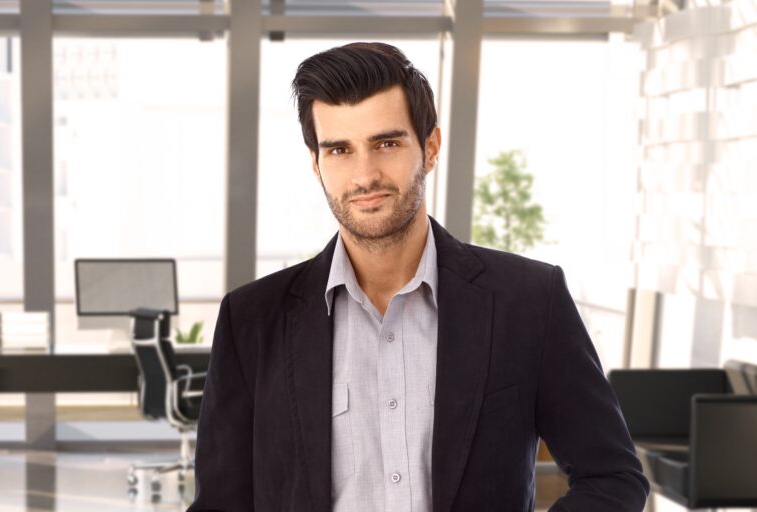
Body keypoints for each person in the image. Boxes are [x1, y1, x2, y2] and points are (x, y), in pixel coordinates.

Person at [188, 42, 649, 512]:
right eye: (340, 150)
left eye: (386, 143)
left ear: (429, 147)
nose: (364, 175)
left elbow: (611, 478)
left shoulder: (529, 301)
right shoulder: (251, 320)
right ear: (316, 164)